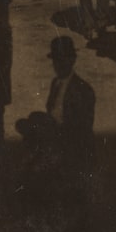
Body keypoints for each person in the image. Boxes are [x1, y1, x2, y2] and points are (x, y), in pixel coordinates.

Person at [45, 35, 96, 188]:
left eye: (62, 60)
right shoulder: (56, 83)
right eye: (55, 60)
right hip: (57, 141)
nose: (58, 65)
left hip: (73, 148)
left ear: (72, 61)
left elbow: (81, 131)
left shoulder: (83, 90)